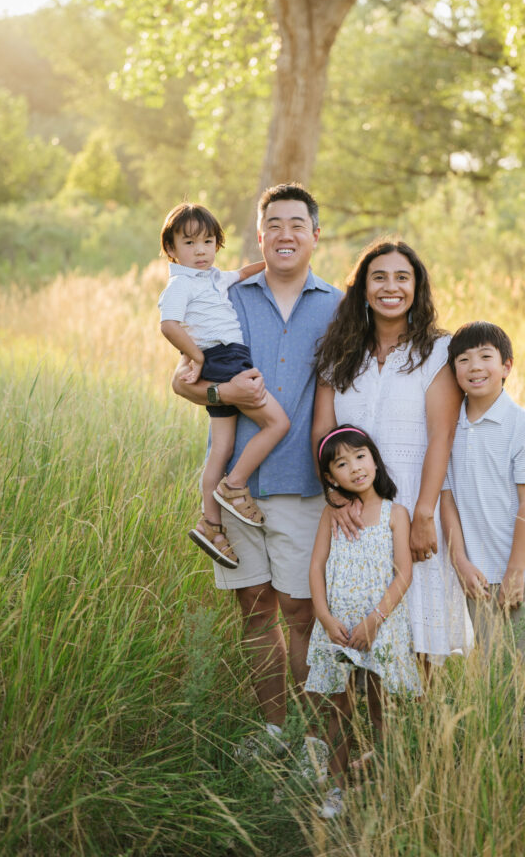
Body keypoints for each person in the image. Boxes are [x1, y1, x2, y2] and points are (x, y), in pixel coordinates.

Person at [170, 184, 341, 761]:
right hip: (238, 487)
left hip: (304, 485)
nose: (286, 233)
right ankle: (272, 732)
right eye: (274, 224)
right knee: (255, 608)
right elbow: (186, 380)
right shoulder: (228, 293)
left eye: (298, 224)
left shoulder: (339, 308)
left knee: (301, 611)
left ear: (315, 235)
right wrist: (219, 389)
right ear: (259, 235)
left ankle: (314, 742)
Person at [313, 239, 473, 671]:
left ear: (417, 287)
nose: (391, 287)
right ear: (362, 288)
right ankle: (367, 735)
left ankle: (421, 738)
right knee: (358, 631)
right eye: (378, 277)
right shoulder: (339, 352)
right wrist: (334, 497)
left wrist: (423, 514)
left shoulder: (439, 352)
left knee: (420, 633)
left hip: (416, 501)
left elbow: (442, 436)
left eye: (403, 277)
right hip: (355, 513)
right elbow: (322, 432)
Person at [440, 321, 525, 739]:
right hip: (478, 574)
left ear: (506, 366)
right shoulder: (449, 428)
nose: (475, 366)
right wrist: (459, 559)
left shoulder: (520, 424)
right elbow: (447, 499)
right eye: (464, 359)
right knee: (493, 674)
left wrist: (515, 571)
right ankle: (507, 759)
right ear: (454, 370)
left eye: (485, 357)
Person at [159, 202, 290, 567]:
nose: (200, 250)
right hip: (223, 359)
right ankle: (234, 486)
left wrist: (274, 261)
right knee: (278, 423)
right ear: (171, 250)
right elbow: (169, 325)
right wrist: (196, 357)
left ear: (217, 244)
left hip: (223, 360)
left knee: (222, 447)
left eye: (208, 241)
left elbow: (243, 272)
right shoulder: (180, 283)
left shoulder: (214, 277)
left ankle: (210, 524)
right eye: (189, 243)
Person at [307, 425, 422, 819]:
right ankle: (336, 789)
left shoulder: (395, 513)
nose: (355, 468)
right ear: (330, 477)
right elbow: (317, 566)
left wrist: (375, 621)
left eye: (360, 456)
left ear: (374, 458)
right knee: (337, 710)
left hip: (380, 626)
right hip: (337, 626)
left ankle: (389, 787)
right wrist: (323, 616)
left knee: (380, 709)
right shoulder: (332, 514)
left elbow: (404, 573)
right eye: (342, 463)